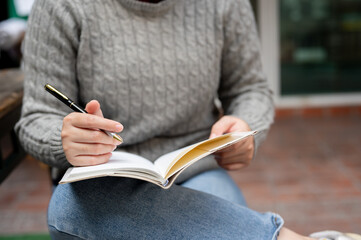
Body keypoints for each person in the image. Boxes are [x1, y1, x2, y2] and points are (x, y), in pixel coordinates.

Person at [15, 0, 359, 239]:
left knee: (217, 218)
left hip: (194, 169)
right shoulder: (60, 5)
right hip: (101, 182)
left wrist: (244, 125)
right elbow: (35, 117)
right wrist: (63, 138)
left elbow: (250, 87)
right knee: (71, 210)